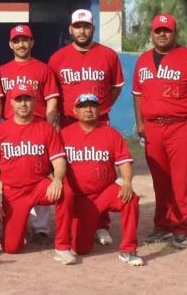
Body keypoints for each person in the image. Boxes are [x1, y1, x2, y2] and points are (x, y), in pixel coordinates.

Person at [133, 13, 187, 249]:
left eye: (166, 30)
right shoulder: (142, 61)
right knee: (160, 180)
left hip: (183, 125)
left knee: (181, 179)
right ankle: (162, 226)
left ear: (174, 33)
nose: (162, 34)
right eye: (158, 30)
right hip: (153, 127)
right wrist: (139, 122)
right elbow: (137, 94)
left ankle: (180, 228)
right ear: (151, 33)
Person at [48, 9, 125, 245]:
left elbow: (116, 87)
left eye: (86, 26)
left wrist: (101, 109)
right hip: (70, 121)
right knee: (72, 173)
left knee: (101, 171)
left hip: (99, 121)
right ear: (70, 29)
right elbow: (53, 93)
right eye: (78, 26)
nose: (82, 30)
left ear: (93, 28)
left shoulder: (108, 55)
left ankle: (101, 224)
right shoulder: (58, 58)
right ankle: (75, 218)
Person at [0, 83, 77, 265]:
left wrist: (57, 179)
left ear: (35, 101)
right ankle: (20, 227)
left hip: (39, 185)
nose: (23, 104)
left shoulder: (46, 128)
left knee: (66, 192)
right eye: (19, 99)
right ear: (11, 102)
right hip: (14, 192)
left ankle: (63, 246)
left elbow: (59, 160)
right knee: (12, 248)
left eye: (27, 98)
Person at [61, 93, 143, 266]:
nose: (88, 109)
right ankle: (89, 228)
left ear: (99, 110)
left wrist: (127, 182)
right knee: (81, 248)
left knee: (130, 199)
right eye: (83, 106)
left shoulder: (111, 133)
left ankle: (128, 250)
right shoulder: (64, 135)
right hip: (80, 198)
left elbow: (125, 161)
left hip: (105, 191)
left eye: (92, 106)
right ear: (75, 111)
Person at [0, 24, 60, 244]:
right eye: (17, 40)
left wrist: (49, 124)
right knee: (13, 174)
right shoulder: (3, 70)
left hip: (38, 125)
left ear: (32, 42)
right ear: (10, 44)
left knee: (40, 175)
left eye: (25, 40)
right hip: (10, 126)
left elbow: (52, 98)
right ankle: (20, 224)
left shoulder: (43, 69)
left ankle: (41, 228)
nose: (21, 44)